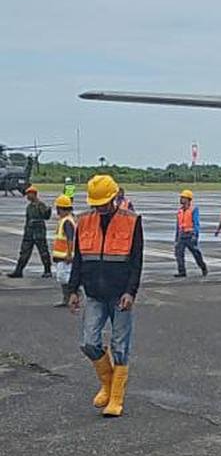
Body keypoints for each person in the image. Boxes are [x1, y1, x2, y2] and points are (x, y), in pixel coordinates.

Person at [67, 174, 144, 418]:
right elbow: (79, 259)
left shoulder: (131, 221)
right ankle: (108, 384)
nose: (99, 208)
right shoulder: (84, 221)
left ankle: (116, 397)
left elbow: (136, 262)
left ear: (114, 198)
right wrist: (72, 289)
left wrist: (131, 292)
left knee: (120, 347)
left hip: (120, 294)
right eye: (95, 204)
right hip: (95, 294)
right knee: (88, 342)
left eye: (103, 203)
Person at [7, 185, 52, 278]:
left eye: (29, 194)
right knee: (24, 252)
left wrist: (48, 211)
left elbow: (46, 217)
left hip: (39, 232)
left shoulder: (41, 205)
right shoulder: (29, 207)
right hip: (29, 233)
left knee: (43, 252)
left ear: (34, 194)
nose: (27, 196)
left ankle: (48, 270)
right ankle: (18, 271)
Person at [50, 194, 77, 307]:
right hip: (61, 256)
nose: (57, 211)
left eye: (58, 209)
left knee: (65, 278)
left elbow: (70, 239)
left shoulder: (67, 222)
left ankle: (74, 295)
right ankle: (67, 298)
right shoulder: (65, 220)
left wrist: (69, 254)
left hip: (65, 256)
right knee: (62, 278)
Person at [173, 189, 207, 277]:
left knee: (195, 253)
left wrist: (195, 235)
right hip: (181, 235)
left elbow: (196, 223)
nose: (181, 199)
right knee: (179, 254)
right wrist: (176, 238)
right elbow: (178, 225)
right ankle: (182, 271)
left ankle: (203, 267)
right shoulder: (180, 211)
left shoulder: (193, 210)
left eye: (183, 198)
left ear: (188, 199)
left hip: (190, 235)